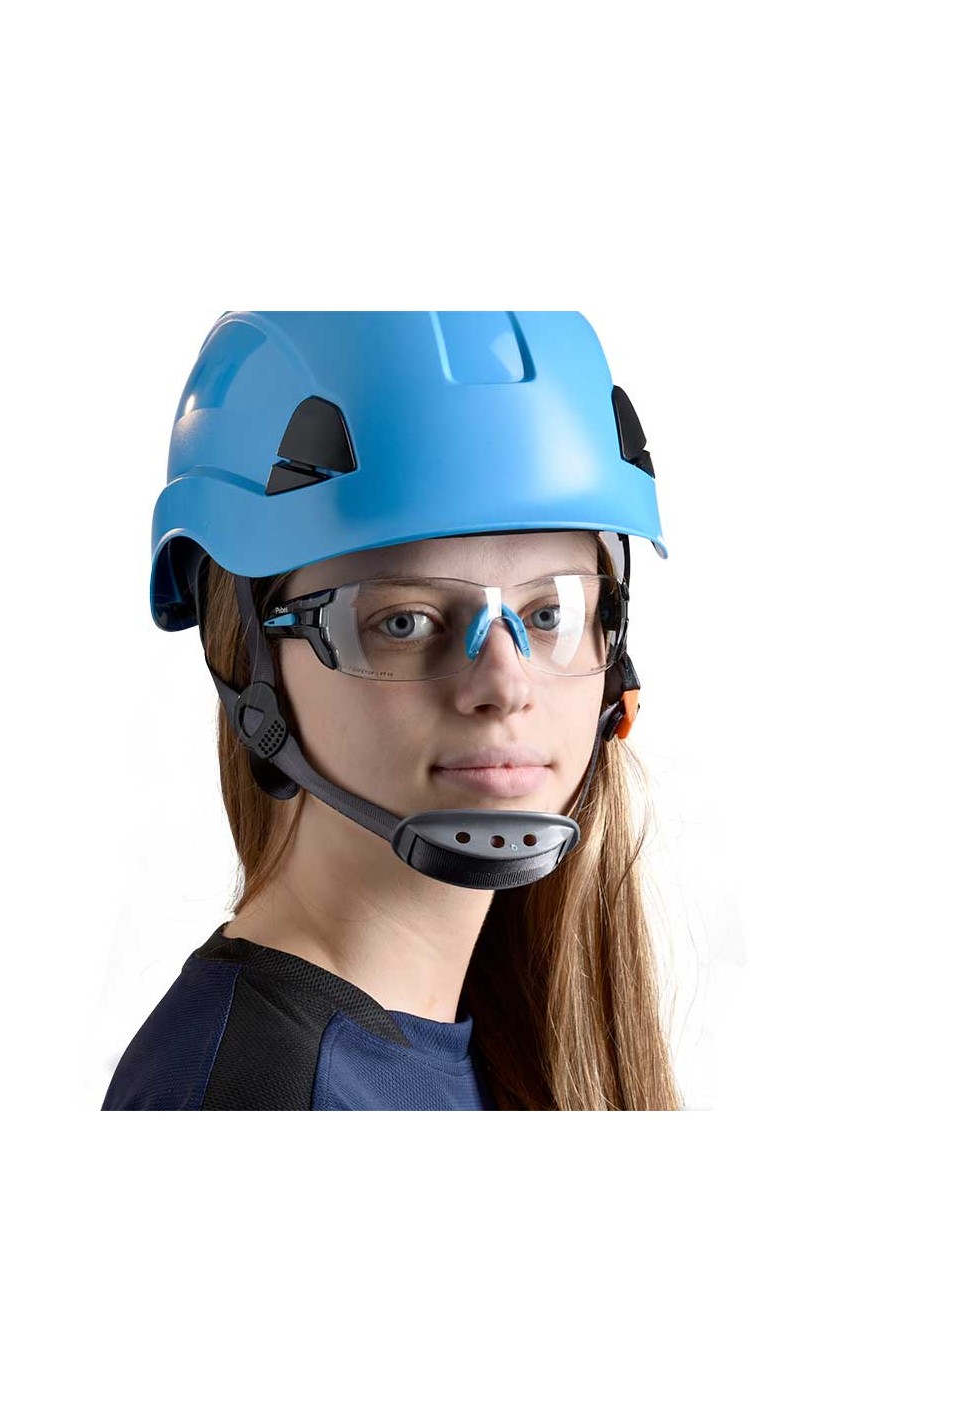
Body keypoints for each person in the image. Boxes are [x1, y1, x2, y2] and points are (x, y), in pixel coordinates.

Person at [102, 310, 682, 1111]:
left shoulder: (497, 1031)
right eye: (404, 622)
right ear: (250, 666)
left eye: (549, 614)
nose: (506, 685)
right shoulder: (256, 1094)